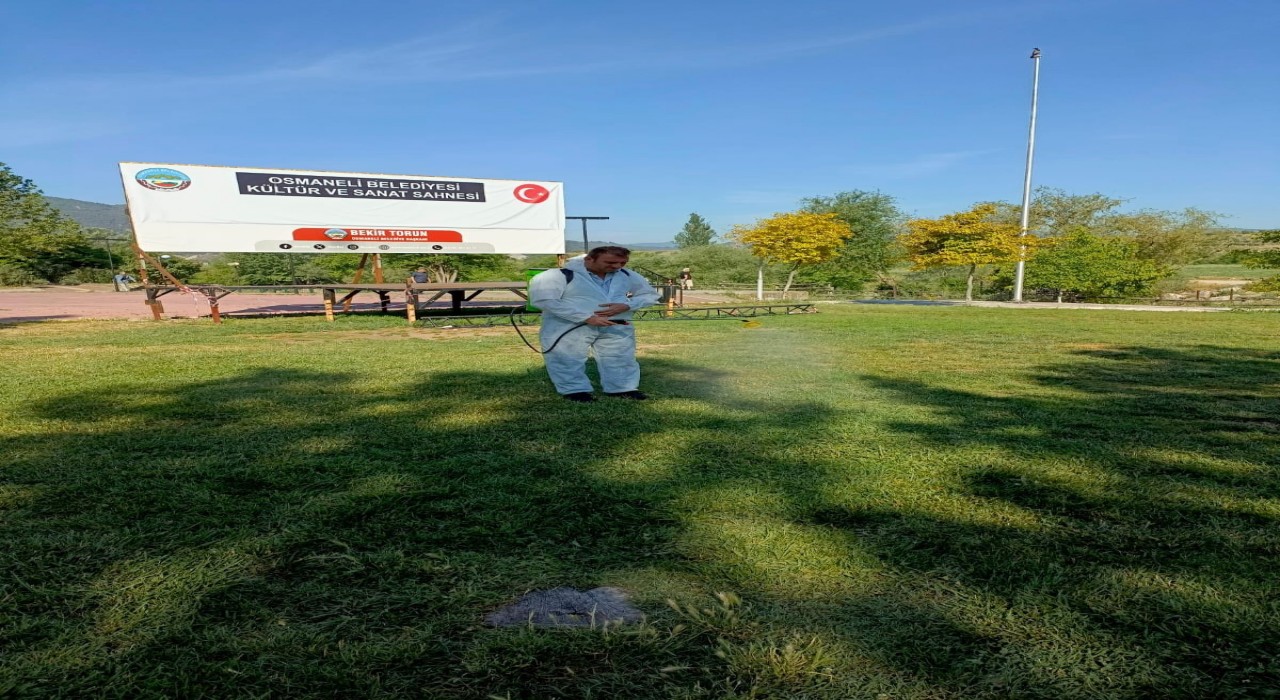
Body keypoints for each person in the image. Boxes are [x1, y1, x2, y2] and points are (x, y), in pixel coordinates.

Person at [528, 246, 661, 402]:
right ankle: (575, 391)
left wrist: (628, 305)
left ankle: (622, 388)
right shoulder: (557, 276)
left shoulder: (626, 275)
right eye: (611, 262)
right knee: (567, 357)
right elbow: (545, 301)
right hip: (569, 326)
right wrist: (586, 317)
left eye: (622, 263)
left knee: (620, 356)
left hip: (615, 324)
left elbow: (650, 294)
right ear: (589, 259)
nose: (617, 266)